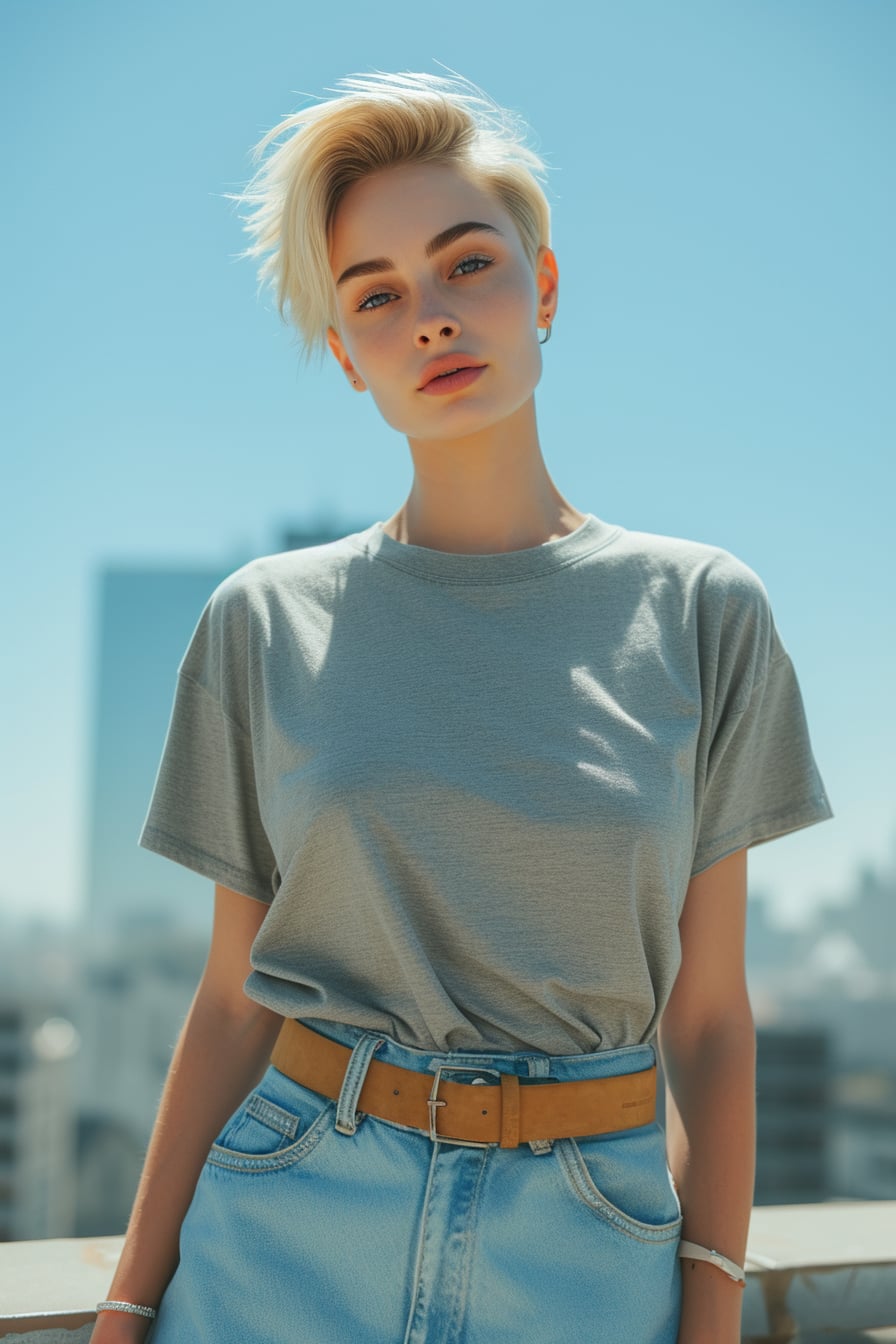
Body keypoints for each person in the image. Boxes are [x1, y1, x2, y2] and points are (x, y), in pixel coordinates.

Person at [91, 71, 832, 1344]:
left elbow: (708, 1018)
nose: (428, 317)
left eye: (466, 265)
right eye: (376, 296)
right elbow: (230, 1003)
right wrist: (123, 1309)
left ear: (542, 288)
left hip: (590, 1244)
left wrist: (707, 1311)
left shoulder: (706, 609)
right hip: (284, 1223)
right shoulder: (260, 621)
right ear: (348, 355)